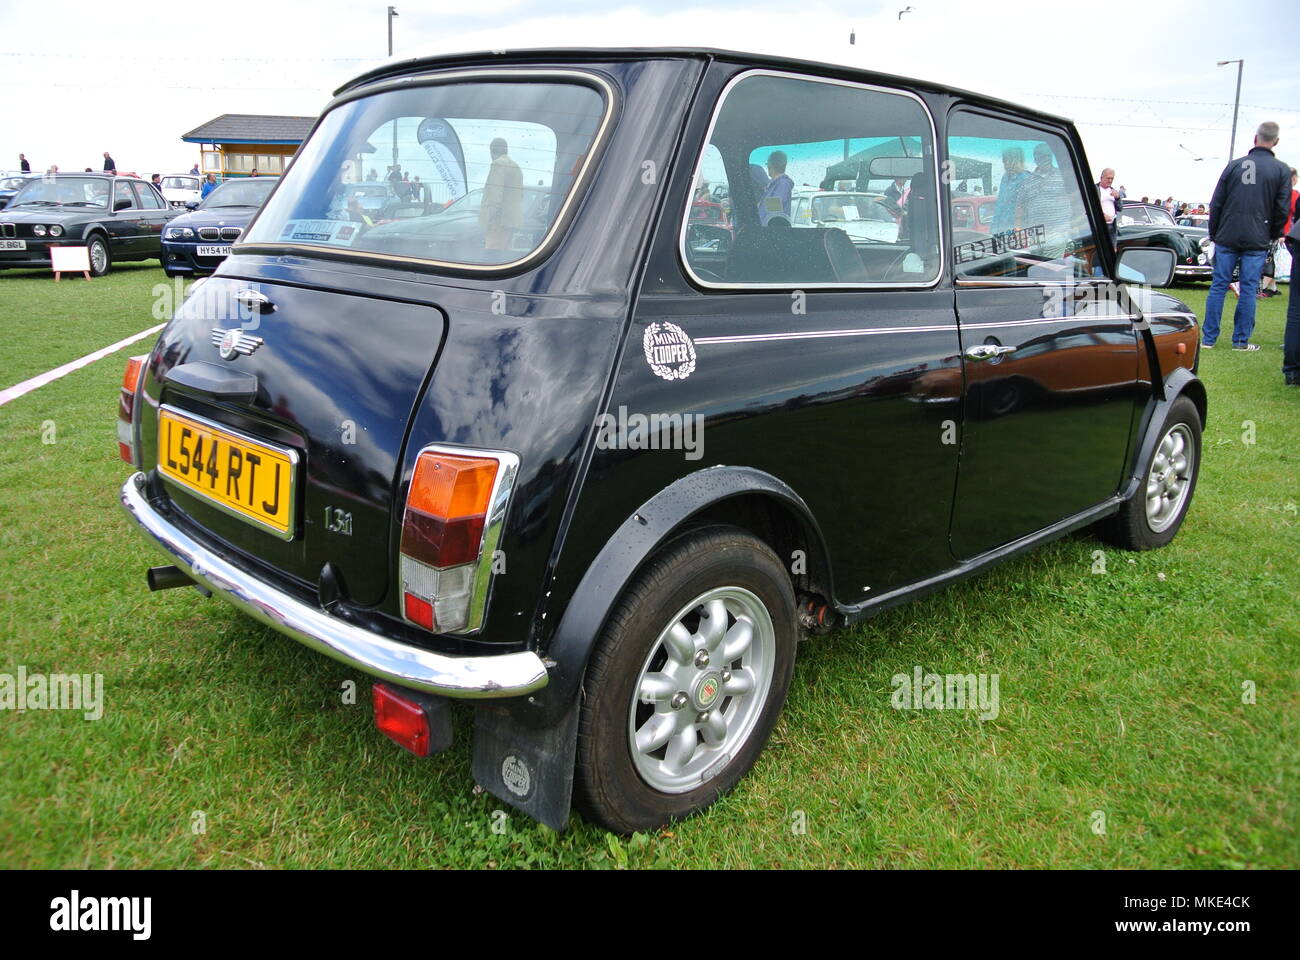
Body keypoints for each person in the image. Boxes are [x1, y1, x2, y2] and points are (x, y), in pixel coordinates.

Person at [1202, 121, 1292, 351]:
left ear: (1255, 138)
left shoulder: (1234, 166)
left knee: (1219, 285)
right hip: (1257, 237)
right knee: (1249, 288)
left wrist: (1214, 233)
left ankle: (1208, 339)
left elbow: (1217, 202)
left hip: (1228, 235)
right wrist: (1272, 235)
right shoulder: (1281, 170)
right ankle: (1240, 341)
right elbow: (1281, 208)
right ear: (1276, 142)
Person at [479, 137, 524, 252]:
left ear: (491, 151)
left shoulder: (497, 165)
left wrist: (490, 219)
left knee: (492, 257)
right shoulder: (516, 166)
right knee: (505, 257)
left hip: (498, 222)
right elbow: (520, 195)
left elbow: (495, 196)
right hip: (511, 222)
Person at [1097, 166, 1120, 243]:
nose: (1110, 180)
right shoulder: (1095, 189)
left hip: (1112, 226)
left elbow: (1120, 208)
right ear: (1101, 178)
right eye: (1108, 178)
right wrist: (1101, 215)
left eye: (1112, 178)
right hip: (1099, 226)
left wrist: (1117, 198)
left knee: (1112, 250)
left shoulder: (1113, 191)